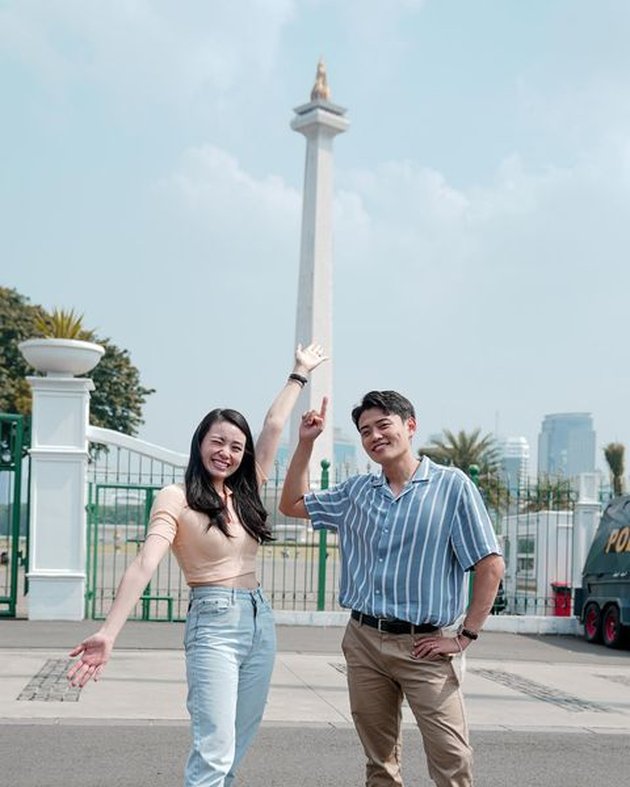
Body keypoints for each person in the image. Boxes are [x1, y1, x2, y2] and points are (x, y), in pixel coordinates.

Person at [68, 342, 328, 787]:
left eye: (235, 446)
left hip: (259, 620)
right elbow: (144, 564)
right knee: (214, 749)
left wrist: (299, 373)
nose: (226, 452)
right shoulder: (176, 497)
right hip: (213, 623)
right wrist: (109, 632)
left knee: (235, 746)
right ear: (200, 443)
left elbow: (273, 425)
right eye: (218, 442)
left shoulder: (246, 490)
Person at [279, 390, 504, 787]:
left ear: (410, 426)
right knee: (380, 764)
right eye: (366, 431)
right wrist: (306, 443)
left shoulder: (451, 487)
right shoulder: (356, 493)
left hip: (425, 646)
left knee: (453, 759)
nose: (374, 436)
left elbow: (489, 564)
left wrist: (465, 636)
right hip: (364, 641)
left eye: (384, 425)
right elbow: (292, 503)